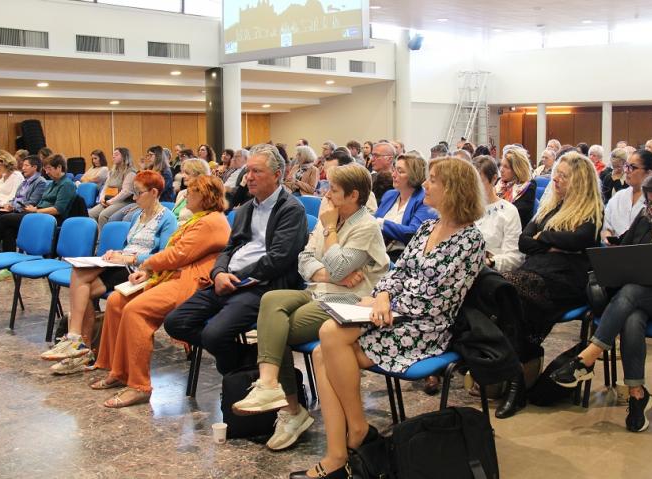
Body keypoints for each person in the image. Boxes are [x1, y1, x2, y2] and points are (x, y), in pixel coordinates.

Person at [290, 157, 485, 479]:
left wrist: (387, 306)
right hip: (393, 313)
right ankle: (343, 447)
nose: (425, 184)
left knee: (328, 342)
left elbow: (438, 299)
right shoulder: (427, 229)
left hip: (425, 327)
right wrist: (381, 296)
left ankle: (350, 441)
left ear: (453, 189)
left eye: (433, 180)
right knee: (325, 346)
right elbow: (398, 273)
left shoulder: (470, 241)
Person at [232, 164, 389, 450]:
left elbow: (339, 265)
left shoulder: (364, 226)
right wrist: (328, 275)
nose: (327, 195)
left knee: (276, 330)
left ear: (353, 195)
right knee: (271, 300)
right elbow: (304, 259)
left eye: (334, 190)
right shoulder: (331, 217)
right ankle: (269, 384)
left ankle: (290, 408)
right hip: (321, 290)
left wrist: (329, 231)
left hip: (352, 302)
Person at [551, 168, 652, 432]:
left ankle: (587, 358)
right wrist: (615, 252)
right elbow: (625, 250)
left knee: (632, 292)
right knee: (632, 317)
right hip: (641, 297)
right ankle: (637, 396)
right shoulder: (645, 218)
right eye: (650, 203)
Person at [81, 176, 228, 409]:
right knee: (117, 301)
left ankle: (139, 386)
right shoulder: (199, 219)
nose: (185, 196)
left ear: (205, 197)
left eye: (191, 192)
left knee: (136, 310)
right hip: (175, 273)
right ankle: (118, 371)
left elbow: (177, 255)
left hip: (190, 281)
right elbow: (176, 255)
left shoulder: (211, 222)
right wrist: (149, 272)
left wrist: (146, 264)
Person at [164, 144, 308, 375]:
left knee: (214, 336)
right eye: (247, 171)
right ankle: (250, 360)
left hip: (261, 286)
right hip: (228, 281)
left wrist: (234, 277)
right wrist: (219, 273)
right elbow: (229, 248)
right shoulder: (246, 209)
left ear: (277, 175)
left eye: (256, 171)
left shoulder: (291, 210)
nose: (248, 177)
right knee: (175, 323)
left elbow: (278, 260)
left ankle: (241, 374)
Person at [494, 151, 603, 419]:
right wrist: (552, 242)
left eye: (563, 177)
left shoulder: (590, 211)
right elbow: (524, 241)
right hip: (536, 271)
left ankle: (515, 382)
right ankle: (518, 376)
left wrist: (543, 237)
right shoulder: (550, 207)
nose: (556, 180)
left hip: (567, 278)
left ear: (579, 181)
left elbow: (580, 239)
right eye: (556, 175)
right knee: (502, 290)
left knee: (511, 290)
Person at [41, 170, 178, 373]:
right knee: (80, 279)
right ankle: (79, 345)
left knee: (81, 284)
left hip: (140, 271)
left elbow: (162, 257)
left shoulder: (167, 219)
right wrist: (117, 252)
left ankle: (77, 343)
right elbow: (128, 245)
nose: (134, 198)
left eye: (138, 193)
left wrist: (131, 258)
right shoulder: (137, 215)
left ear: (154, 192)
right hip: (121, 265)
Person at [0, 155, 77, 280]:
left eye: (49, 168)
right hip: (38, 215)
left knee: (5, 219)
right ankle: (8, 268)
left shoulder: (67, 185)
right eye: (46, 169)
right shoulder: (52, 184)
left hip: (49, 219)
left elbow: (58, 209)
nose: (47, 172)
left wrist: (36, 211)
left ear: (59, 167)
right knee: (9, 230)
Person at [374, 153, 436, 263]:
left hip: (403, 258)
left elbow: (413, 233)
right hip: (377, 251)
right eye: (394, 169)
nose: (393, 175)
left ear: (414, 175)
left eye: (400, 171)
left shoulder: (424, 199)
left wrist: (381, 223)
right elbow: (373, 221)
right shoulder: (390, 195)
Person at [475, 156, 524, 272]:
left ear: (494, 179)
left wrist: (490, 261)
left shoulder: (508, 211)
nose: (474, 187)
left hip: (490, 270)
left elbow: (514, 257)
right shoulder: (465, 209)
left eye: (479, 182)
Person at [601, 150, 652, 244]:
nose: (626, 171)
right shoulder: (618, 197)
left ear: (649, 173)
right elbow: (606, 227)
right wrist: (607, 237)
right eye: (626, 166)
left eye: (632, 167)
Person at [109, 146, 175, 222]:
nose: (148, 158)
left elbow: (155, 194)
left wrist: (138, 206)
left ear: (158, 156)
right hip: (143, 201)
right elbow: (138, 186)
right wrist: (142, 169)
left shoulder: (166, 173)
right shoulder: (149, 169)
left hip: (158, 203)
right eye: (147, 155)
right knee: (113, 218)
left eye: (150, 155)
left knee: (127, 218)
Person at [89, 147, 136, 229]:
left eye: (116, 154)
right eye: (113, 155)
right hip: (109, 200)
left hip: (123, 201)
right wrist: (102, 198)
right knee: (91, 213)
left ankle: (103, 237)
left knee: (103, 215)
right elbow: (106, 186)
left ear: (124, 156)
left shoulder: (130, 172)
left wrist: (111, 201)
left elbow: (126, 192)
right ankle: (96, 234)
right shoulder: (112, 171)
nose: (113, 156)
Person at [496, 147, 537, 228]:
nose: (501, 170)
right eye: (501, 165)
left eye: (506, 167)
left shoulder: (528, 187)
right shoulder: (499, 183)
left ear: (517, 170)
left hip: (514, 228)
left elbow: (514, 213)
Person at [171, 158, 210, 222]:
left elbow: (197, 222)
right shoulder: (182, 193)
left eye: (187, 173)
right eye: (183, 172)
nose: (183, 176)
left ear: (199, 175)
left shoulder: (204, 197)